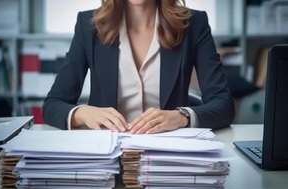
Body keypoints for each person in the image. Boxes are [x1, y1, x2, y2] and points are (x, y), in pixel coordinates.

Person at [42, 0, 235, 134]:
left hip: (170, 155)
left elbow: (224, 105)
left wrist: (182, 117)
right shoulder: (88, 26)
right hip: (106, 156)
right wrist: (83, 113)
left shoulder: (194, 24)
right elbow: (53, 104)